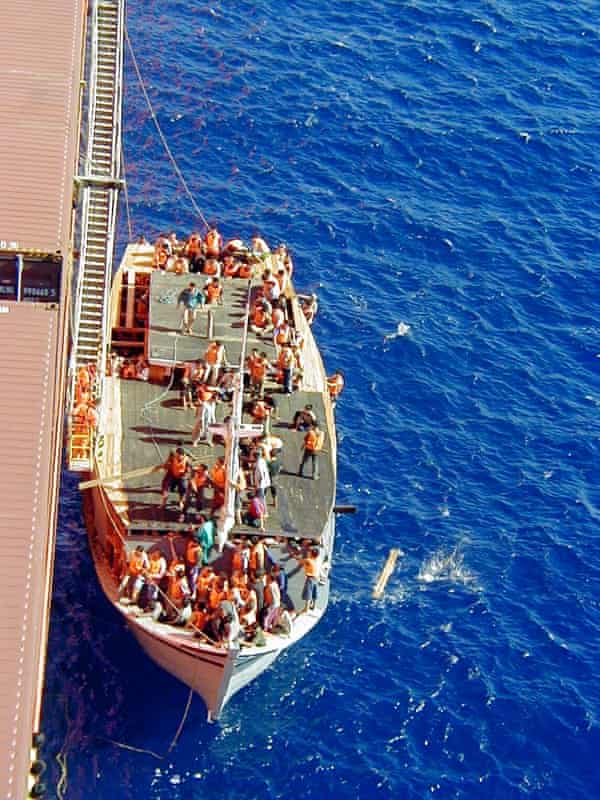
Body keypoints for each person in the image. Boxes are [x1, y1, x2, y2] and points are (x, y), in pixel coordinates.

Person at [296, 547, 321, 614]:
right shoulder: (316, 560)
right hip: (316, 578)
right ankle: (313, 606)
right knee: (314, 593)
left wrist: (294, 556)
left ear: (311, 554)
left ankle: (306, 609)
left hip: (310, 578)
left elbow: (300, 561)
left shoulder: (308, 560)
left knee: (308, 594)